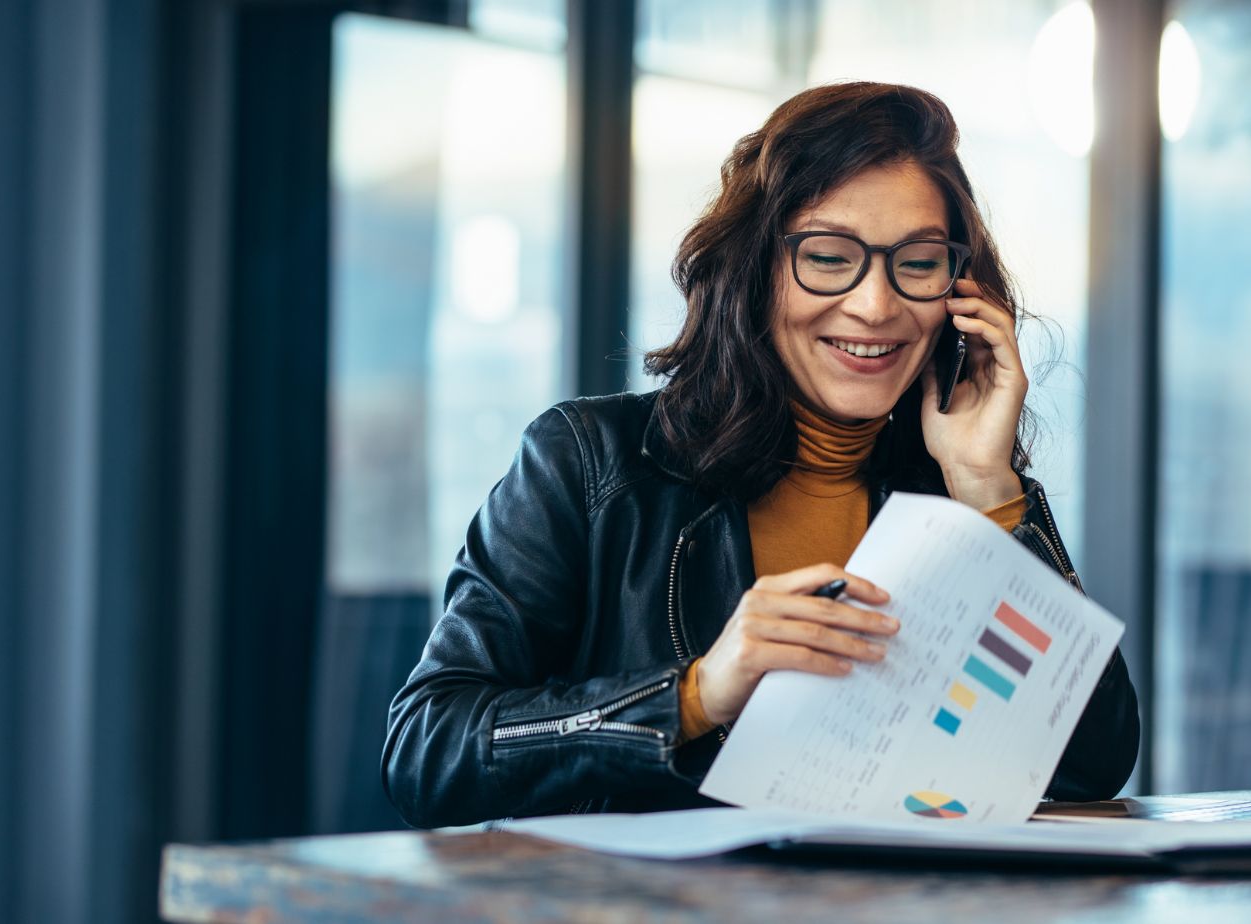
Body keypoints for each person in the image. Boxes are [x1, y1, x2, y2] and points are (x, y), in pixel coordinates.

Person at [383, 81, 1139, 829]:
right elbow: (428, 749)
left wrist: (987, 489)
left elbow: (1089, 764)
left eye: (917, 263)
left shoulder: (953, 487)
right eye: (829, 256)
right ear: (753, 271)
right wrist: (693, 695)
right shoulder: (589, 462)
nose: (876, 305)